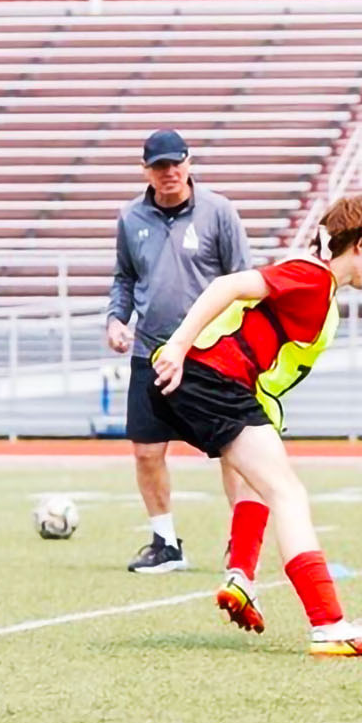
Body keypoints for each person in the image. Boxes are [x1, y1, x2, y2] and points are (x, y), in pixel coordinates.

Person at [148, 196, 362, 657]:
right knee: (288, 493)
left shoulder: (319, 287)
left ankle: (241, 578)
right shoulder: (311, 276)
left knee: (261, 484)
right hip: (212, 380)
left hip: (220, 386)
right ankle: (329, 625)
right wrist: (177, 347)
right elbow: (228, 285)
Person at [108, 128, 253, 573]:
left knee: (235, 450)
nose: (169, 173)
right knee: (147, 450)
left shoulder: (219, 212)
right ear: (145, 170)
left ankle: (242, 545)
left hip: (212, 352)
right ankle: (165, 543)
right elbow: (125, 278)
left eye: (175, 163)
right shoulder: (131, 218)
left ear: (189, 162)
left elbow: (241, 279)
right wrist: (116, 318)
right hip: (151, 352)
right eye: (159, 166)